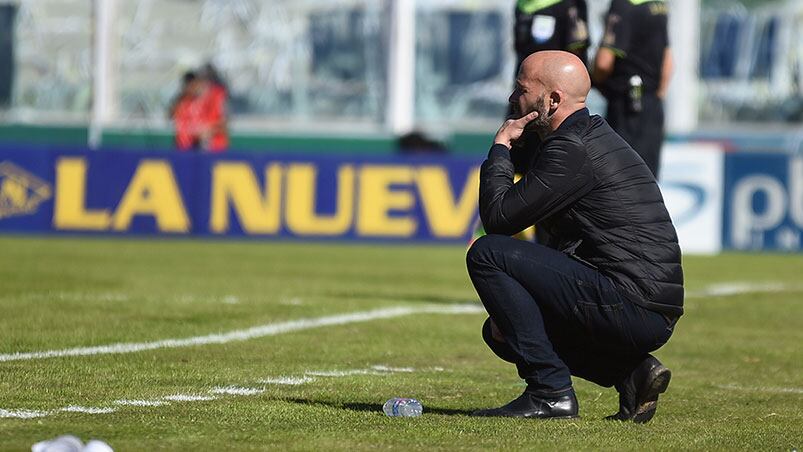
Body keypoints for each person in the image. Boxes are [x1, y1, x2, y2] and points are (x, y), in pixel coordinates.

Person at [466, 51, 683, 422]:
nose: (511, 99)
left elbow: (499, 218)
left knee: (488, 253)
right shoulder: (585, 136)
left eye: (521, 89)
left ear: (552, 100)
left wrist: (501, 147)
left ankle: (550, 393)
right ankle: (632, 374)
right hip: (646, 305)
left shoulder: (572, 149)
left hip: (632, 302)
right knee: (502, 331)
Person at [592, 0, 672, 178]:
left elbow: (603, 63)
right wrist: (655, 96)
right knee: (646, 179)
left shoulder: (624, 6)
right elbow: (668, 61)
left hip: (626, 105)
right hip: (651, 103)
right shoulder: (658, 6)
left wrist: (591, 79)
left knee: (619, 176)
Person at [170, 68, 229, 153]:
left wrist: (207, 131)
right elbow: (175, 120)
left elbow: (223, 125)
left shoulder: (216, 97)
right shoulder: (184, 101)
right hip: (186, 148)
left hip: (213, 150)